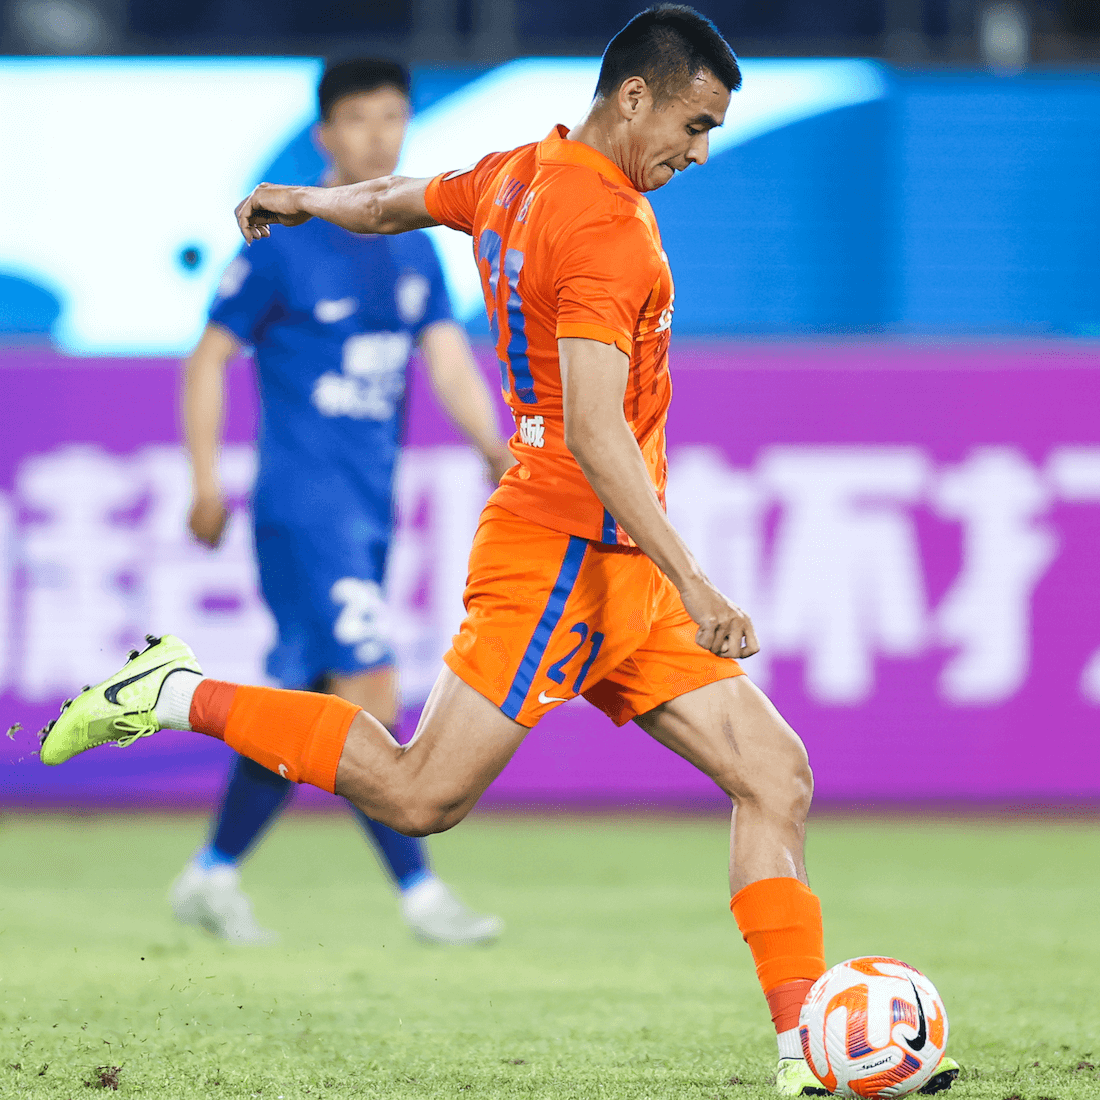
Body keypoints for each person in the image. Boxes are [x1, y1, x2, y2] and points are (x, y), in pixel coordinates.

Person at [41, 7, 957, 1095]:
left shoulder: (518, 171)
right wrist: (697, 580)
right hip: (561, 554)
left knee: (774, 776)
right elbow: (595, 431)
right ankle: (174, 689)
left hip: (615, 565)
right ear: (634, 96)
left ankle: (805, 1050)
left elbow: (392, 201)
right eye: (694, 124)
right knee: (419, 792)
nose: (700, 152)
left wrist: (307, 199)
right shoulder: (606, 232)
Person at [171, 58, 509, 946]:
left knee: (306, 698)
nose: (378, 136)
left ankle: (212, 873)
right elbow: (209, 358)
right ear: (325, 135)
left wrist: (491, 445)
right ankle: (421, 895)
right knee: (369, 690)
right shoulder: (283, 243)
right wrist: (205, 480)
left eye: (393, 117)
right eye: (359, 119)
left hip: (368, 509)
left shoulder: (414, 243)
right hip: (304, 506)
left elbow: (446, 356)